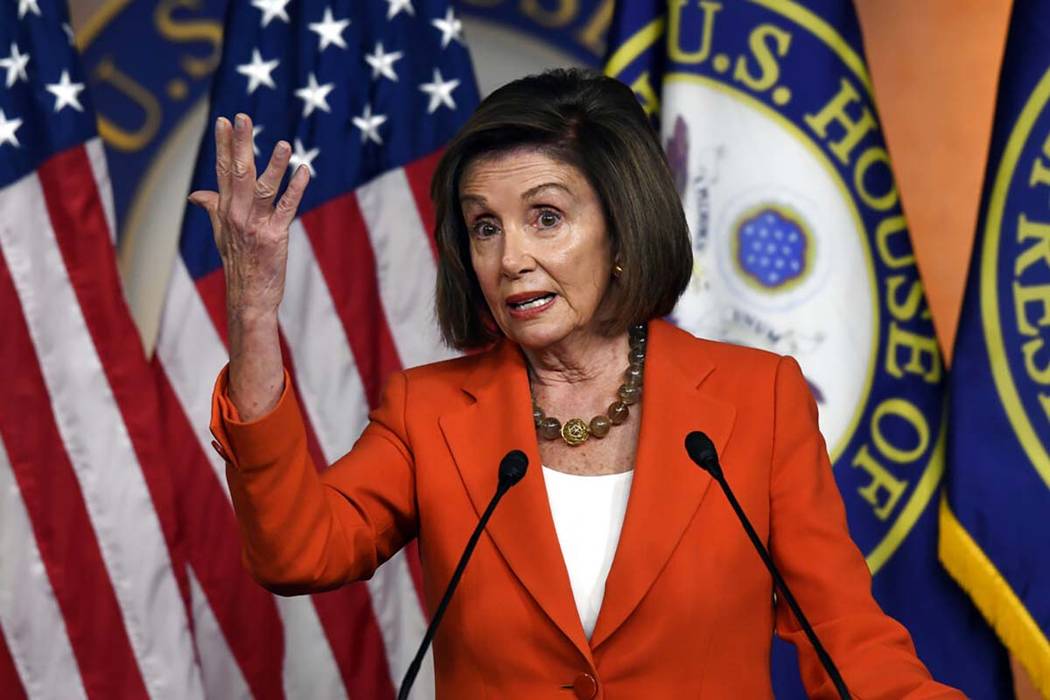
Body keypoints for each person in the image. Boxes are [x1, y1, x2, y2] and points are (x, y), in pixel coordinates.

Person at [195, 69, 962, 698]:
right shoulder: (427, 414)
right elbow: (297, 552)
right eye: (485, 226)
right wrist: (254, 313)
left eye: (546, 217)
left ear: (622, 230)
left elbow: (847, 645)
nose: (511, 259)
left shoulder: (754, 402)